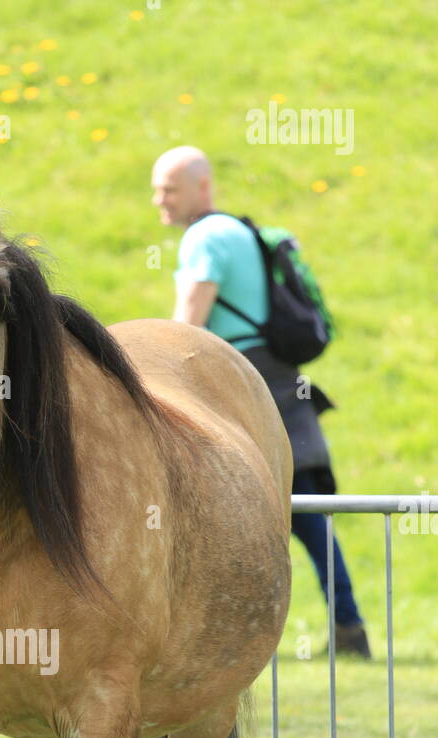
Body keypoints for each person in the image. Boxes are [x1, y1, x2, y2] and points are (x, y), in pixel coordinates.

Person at [151, 145, 371, 658]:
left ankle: (218, 639)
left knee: (272, 516)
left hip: (241, 389)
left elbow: (186, 329)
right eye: (157, 188)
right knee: (311, 517)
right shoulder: (238, 230)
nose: (160, 199)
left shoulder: (204, 238)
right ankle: (350, 626)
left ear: (202, 187)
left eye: (170, 188)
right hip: (279, 386)